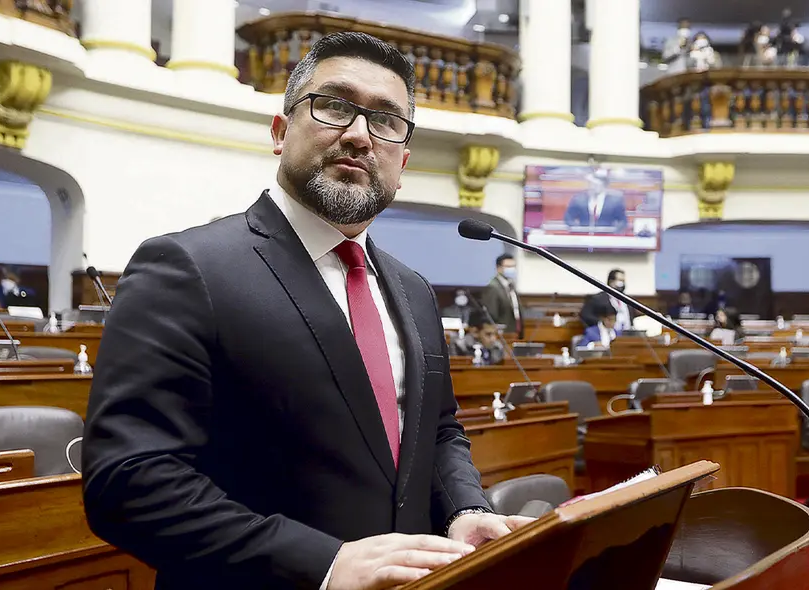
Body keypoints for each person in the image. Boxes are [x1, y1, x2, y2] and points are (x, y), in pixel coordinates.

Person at [81, 32, 530, 590]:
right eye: (335, 106)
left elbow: (437, 433)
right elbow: (127, 482)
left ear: (403, 159)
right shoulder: (187, 267)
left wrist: (466, 508)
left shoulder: (413, 289)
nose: (362, 135)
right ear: (279, 131)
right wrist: (320, 563)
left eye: (387, 120)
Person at [563, 168, 628, 232]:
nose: (594, 186)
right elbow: (568, 218)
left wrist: (614, 231)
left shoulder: (615, 201)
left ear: (604, 185)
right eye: (592, 184)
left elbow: (622, 221)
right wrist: (577, 230)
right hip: (583, 238)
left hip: (606, 238)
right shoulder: (578, 199)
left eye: (597, 184)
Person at [480, 253, 523, 336]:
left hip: (515, 332)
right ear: (498, 268)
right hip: (502, 334)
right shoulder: (492, 287)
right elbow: (491, 314)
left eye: (513, 266)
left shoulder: (510, 285)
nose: (511, 269)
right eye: (508, 266)